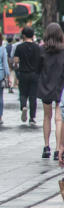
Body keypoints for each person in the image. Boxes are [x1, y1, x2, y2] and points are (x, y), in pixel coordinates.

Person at [37, 22, 64, 159]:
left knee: (47, 116)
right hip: (60, 87)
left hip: (45, 86)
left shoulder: (42, 50)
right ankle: (58, 148)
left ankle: (46, 146)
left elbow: (38, 69)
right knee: (59, 119)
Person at [14, 26, 43, 125]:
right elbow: (41, 61)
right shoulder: (38, 48)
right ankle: (32, 118)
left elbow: (16, 61)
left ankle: (23, 106)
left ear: (23, 35)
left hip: (23, 73)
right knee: (33, 96)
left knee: (23, 93)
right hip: (35, 74)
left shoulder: (19, 47)